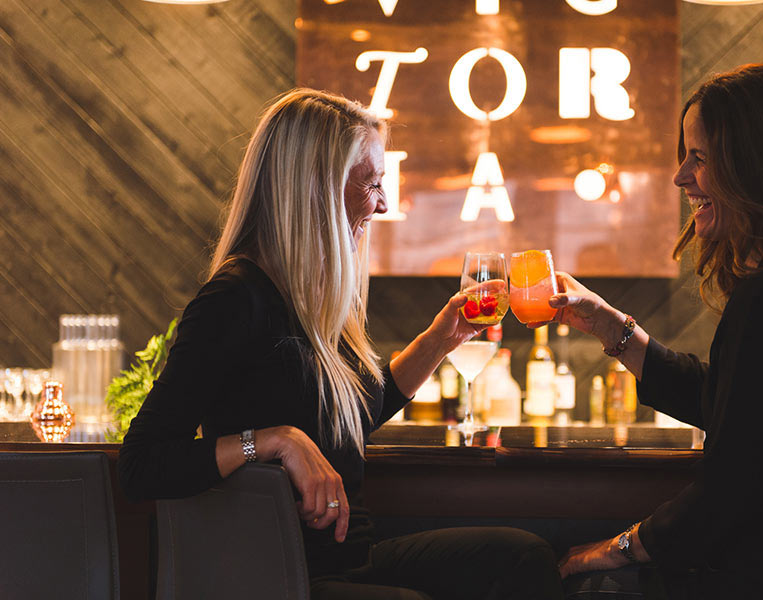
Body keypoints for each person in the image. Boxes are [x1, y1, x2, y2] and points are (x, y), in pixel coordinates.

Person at [118, 89, 563, 600]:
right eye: (371, 183)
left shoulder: (312, 294)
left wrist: (441, 337)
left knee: (523, 557)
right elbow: (141, 467)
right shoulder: (234, 298)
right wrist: (272, 440)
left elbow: (355, 414)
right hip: (281, 573)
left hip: (351, 558)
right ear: (314, 185)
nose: (383, 203)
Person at [554, 64, 763, 598]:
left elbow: (726, 495)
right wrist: (610, 325)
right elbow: (740, 406)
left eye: (700, 158)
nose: (680, 176)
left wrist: (618, 547)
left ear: (759, 166)